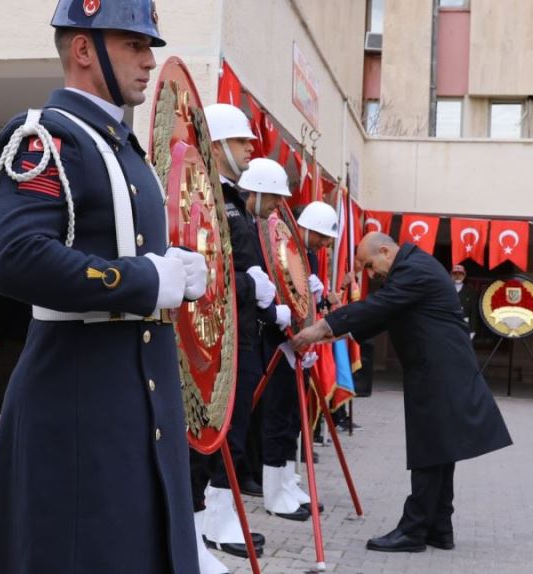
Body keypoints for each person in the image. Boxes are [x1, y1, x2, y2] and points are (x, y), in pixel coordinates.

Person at [0, 2, 209, 572]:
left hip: (135, 406)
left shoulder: (123, 147)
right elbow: (14, 257)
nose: (149, 60)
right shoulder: (48, 137)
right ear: (84, 50)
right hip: (77, 409)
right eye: (134, 44)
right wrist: (146, 280)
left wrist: (174, 267)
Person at [292, 233, 512, 553]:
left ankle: (413, 530)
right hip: (440, 370)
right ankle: (439, 527)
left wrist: (321, 328)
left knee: (428, 451)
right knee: (441, 451)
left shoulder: (414, 270)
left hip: (439, 372)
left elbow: (380, 306)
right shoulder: (412, 266)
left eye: (369, 266)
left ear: (385, 251)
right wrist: (332, 333)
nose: (371, 275)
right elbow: (386, 314)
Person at [196, 153, 293, 561]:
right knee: (223, 436)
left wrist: (275, 310)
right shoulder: (218, 201)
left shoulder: (238, 208)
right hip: (222, 338)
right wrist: (257, 294)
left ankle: (221, 520)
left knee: (236, 434)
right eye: (272, 200)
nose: (274, 209)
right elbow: (209, 270)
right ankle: (209, 524)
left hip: (247, 334)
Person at [259, 201, 332, 521]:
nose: (324, 244)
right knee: (276, 420)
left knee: (290, 420)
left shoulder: (309, 256)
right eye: (321, 237)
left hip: (298, 346)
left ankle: (287, 482)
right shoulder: (278, 246)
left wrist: (309, 333)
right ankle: (274, 493)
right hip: (275, 342)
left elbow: (304, 302)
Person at [451, 264, 478, 341]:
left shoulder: (470, 291)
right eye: (455, 273)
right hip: (449, 324)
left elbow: (473, 312)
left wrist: (472, 330)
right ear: (451, 275)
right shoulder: (447, 290)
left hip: (464, 325)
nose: (457, 276)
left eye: (460, 273)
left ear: (464, 275)